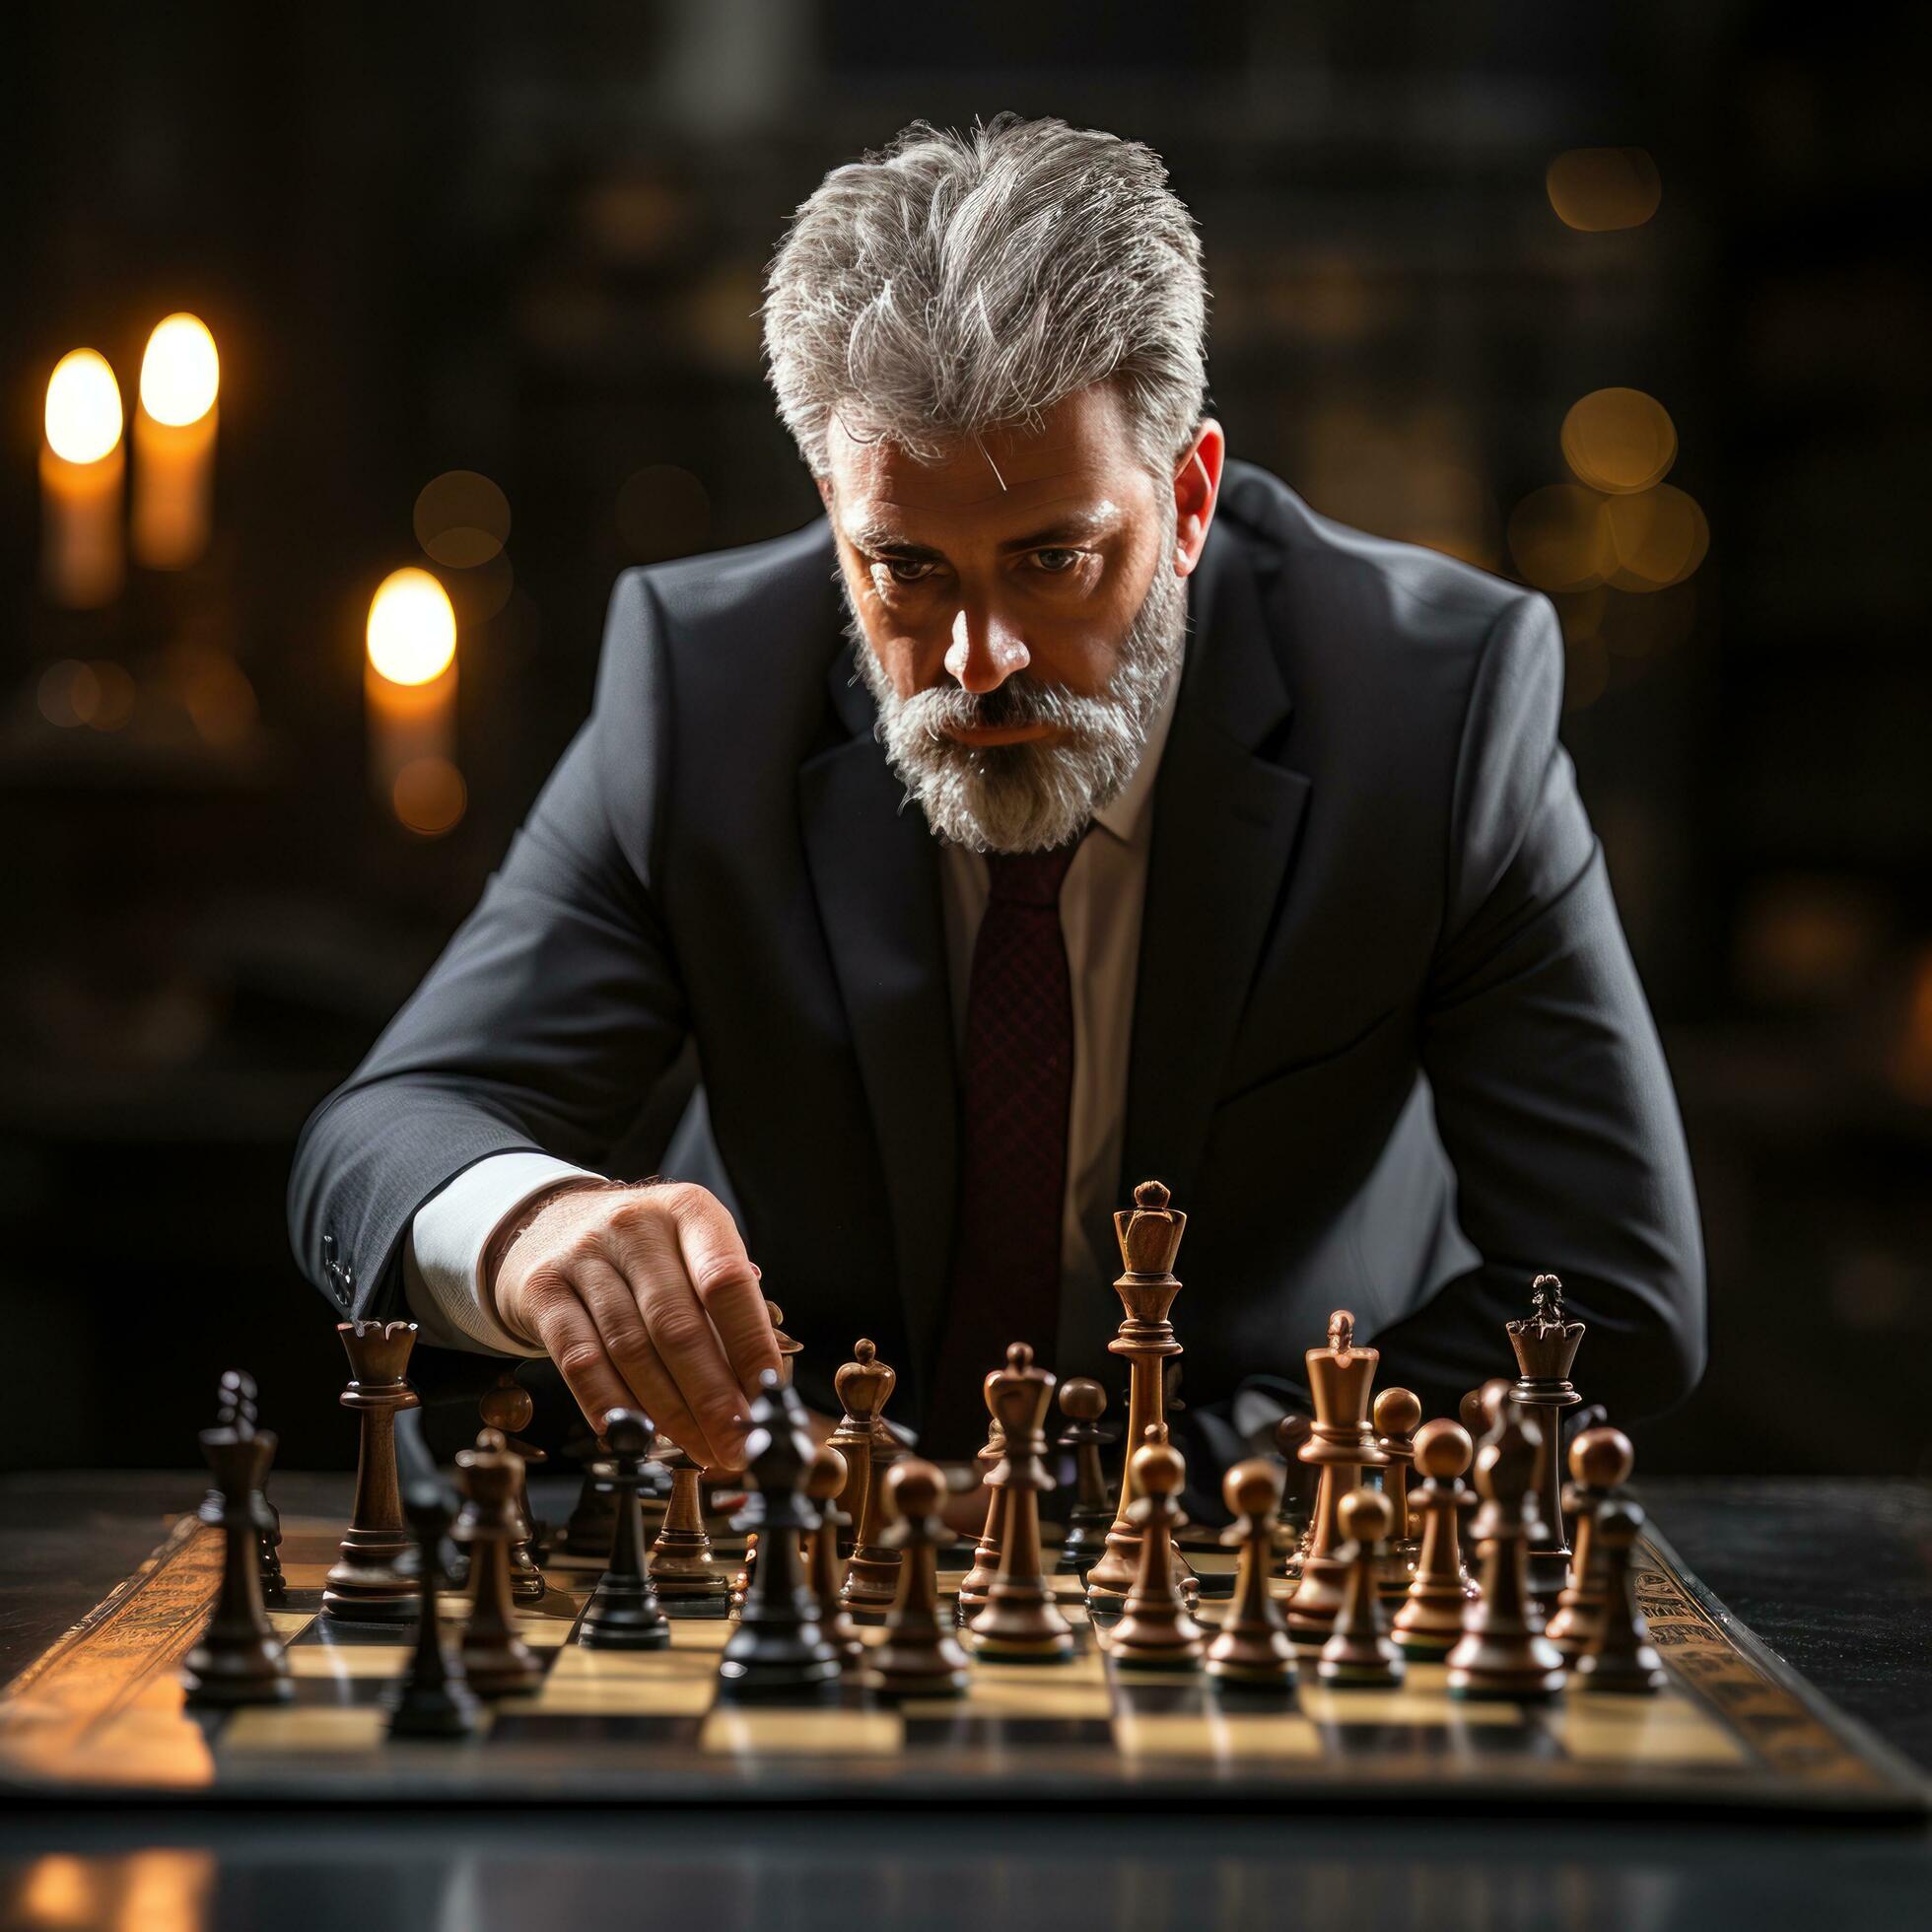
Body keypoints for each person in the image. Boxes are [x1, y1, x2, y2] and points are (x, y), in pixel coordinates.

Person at [288, 112, 1704, 1483]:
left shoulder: (1431, 707)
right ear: (833, 509)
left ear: (1193, 500)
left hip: (1245, 1546)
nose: (980, 664)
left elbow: (1614, 1293)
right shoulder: (703, 687)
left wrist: (1154, 1486)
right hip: (797, 1526)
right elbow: (390, 1132)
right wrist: (534, 1227)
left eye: (1054, 559)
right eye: (905, 569)